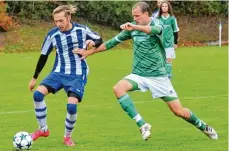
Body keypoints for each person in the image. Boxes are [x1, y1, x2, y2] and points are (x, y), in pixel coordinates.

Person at [73, 2, 218, 141]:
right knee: (118, 88)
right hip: (139, 75)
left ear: (146, 14)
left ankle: (203, 126)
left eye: (137, 16)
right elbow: (111, 43)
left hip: (159, 77)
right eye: (133, 16)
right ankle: (143, 125)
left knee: (178, 111)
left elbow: (152, 30)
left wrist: (134, 27)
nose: (134, 19)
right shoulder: (132, 28)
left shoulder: (158, 23)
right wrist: (89, 52)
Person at [28, 5, 102, 146]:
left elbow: (99, 40)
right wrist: (34, 78)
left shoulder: (82, 30)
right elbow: (43, 56)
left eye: (61, 20)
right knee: (37, 95)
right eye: (56, 21)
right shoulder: (52, 35)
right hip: (58, 72)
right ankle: (43, 129)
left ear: (69, 18)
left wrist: (93, 42)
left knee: (71, 107)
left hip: (77, 73)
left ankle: (67, 137)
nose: (58, 24)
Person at [158, 1, 179, 79]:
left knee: (169, 60)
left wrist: (175, 43)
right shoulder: (158, 18)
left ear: (168, 7)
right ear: (161, 8)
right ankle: (162, 75)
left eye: (165, 6)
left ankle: (168, 76)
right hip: (160, 43)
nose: (164, 8)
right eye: (163, 6)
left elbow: (176, 31)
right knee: (161, 60)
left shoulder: (172, 18)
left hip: (170, 43)